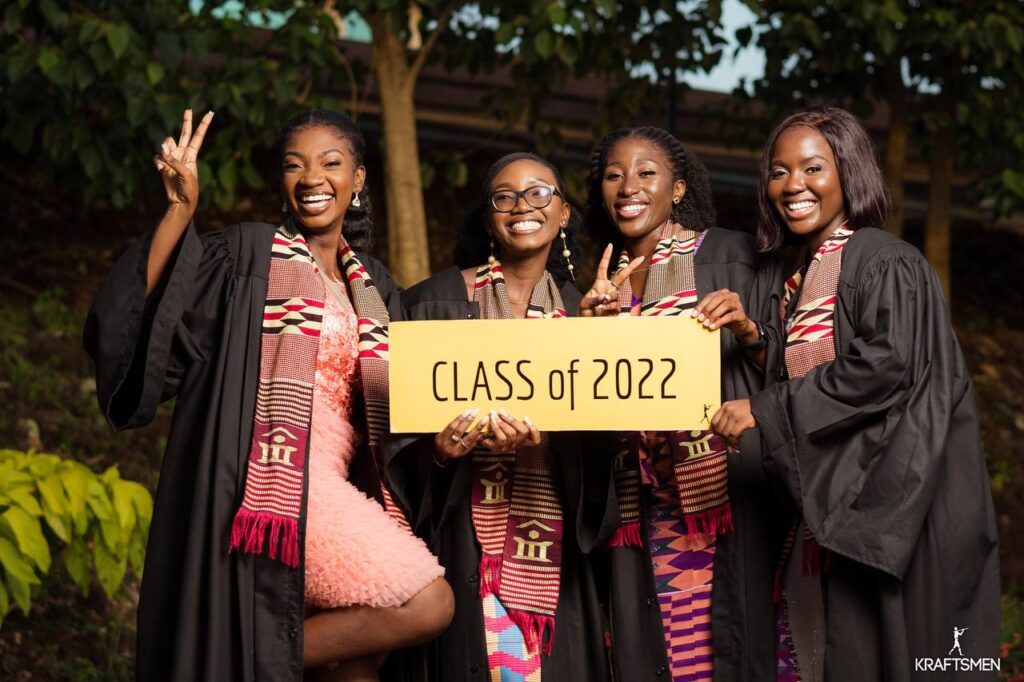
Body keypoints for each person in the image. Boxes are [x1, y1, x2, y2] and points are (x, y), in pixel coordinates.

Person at [84, 109, 453, 682]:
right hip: (274, 476)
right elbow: (157, 312)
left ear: (358, 178)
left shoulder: (373, 284)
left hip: (340, 476)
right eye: (294, 165)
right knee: (429, 602)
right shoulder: (251, 254)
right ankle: (234, 661)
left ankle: (232, 655)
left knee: (356, 665)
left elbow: (405, 388)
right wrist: (181, 209)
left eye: (331, 163)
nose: (312, 178)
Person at [712, 106, 1000, 680]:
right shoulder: (803, 275)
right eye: (778, 170)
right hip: (829, 505)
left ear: (848, 172)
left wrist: (764, 408)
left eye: (812, 167)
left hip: (893, 500)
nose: (793, 185)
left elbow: (884, 366)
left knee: (904, 652)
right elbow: (819, 365)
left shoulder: (883, 259)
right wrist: (753, 339)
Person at [387, 153, 611, 681]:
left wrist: (548, 443)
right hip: (460, 545)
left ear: (563, 215)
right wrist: (441, 452)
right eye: (504, 197)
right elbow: (390, 448)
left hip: (553, 555)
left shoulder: (584, 317)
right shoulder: (433, 303)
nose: (521, 206)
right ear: (489, 218)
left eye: (539, 194)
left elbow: (607, 462)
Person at [580, 127, 779, 681]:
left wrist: (747, 328)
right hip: (640, 503)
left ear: (677, 189)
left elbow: (783, 367)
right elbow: (590, 396)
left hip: (719, 496)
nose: (628, 186)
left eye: (646, 173)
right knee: (663, 657)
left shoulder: (729, 256)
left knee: (726, 651)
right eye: (614, 174)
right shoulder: (602, 282)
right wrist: (588, 332)